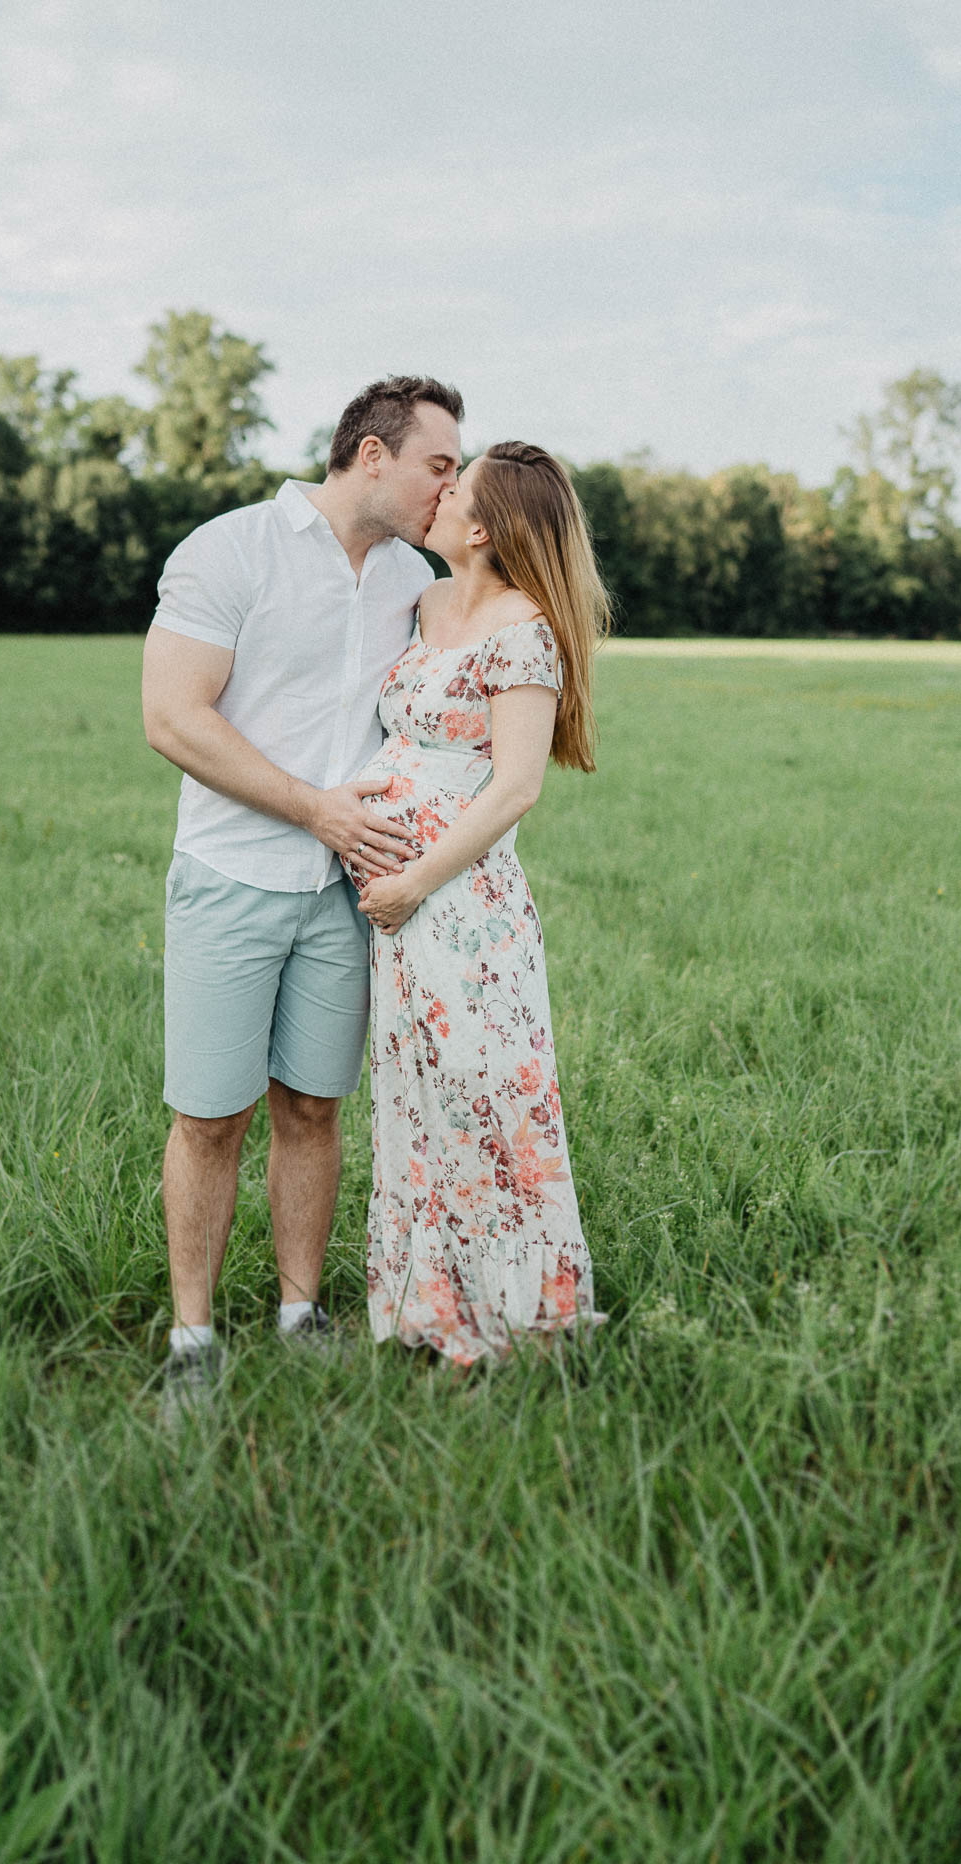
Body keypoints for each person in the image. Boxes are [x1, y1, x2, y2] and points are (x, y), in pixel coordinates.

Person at [141, 375, 463, 1418]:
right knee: (209, 1118)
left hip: (346, 894)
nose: (447, 486)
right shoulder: (229, 549)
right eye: (438, 465)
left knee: (314, 1107)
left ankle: (298, 1311)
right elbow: (172, 719)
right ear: (371, 456)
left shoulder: (412, 579)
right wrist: (315, 809)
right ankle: (192, 1338)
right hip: (231, 879)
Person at [341, 442, 610, 1364]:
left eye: (454, 486)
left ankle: (517, 1317)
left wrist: (414, 879)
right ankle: (430, 1311)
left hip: (463, 909)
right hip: (398, 914)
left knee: (486, 1095)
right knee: (417, 1096)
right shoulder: (424, 603)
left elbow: (514, 789)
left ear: (485, 527)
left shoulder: (524, 630)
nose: (440, 492)